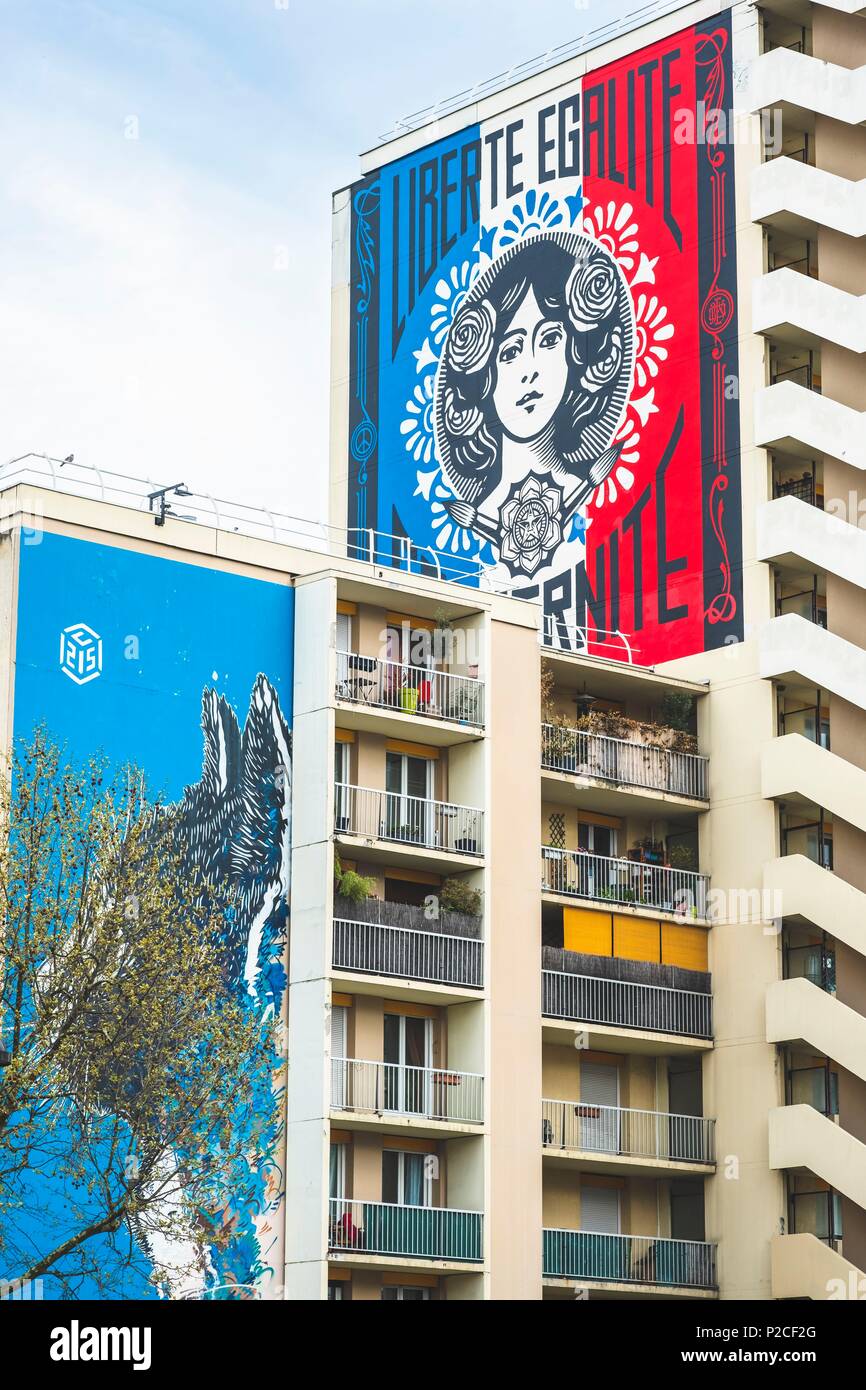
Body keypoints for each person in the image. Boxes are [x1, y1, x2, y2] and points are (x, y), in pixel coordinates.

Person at [437, 233, 634, 578]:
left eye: (549, 339)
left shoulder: (584, 485)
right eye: (510, 352)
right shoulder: (481, 511)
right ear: (484, 375)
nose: (531, 369)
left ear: (575, 352)